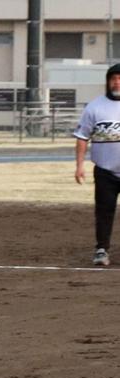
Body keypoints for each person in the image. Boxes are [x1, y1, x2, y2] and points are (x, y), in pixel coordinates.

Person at [74, 64, 120, 266]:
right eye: (113, 78)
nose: (117, 82)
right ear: (108, 81)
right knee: (104, 211)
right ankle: (102, 250)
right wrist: (79, 166)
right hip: (104, 170)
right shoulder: (94, 107)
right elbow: (82, 138)